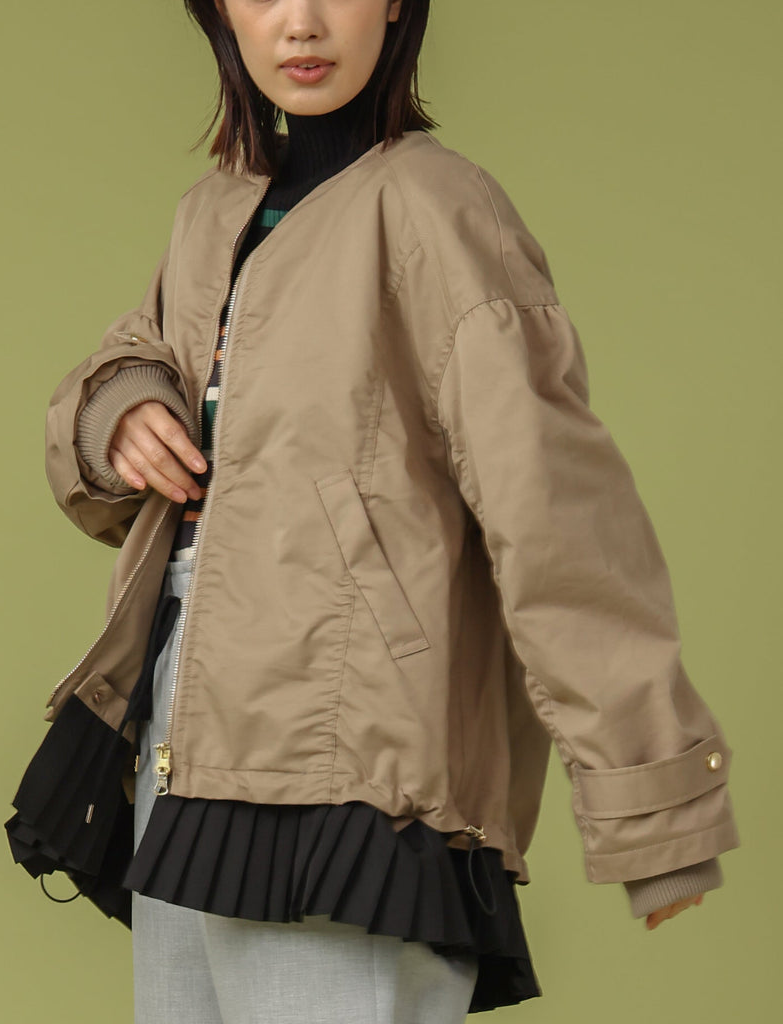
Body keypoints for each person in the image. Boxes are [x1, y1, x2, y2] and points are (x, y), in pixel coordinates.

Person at [42, 1, 740, 1021]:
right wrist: (121, 407)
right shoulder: (212, 212)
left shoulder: (437, 210)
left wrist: (651, 802)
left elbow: (556, 514)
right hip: (179, 726)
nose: (302, 21)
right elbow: (132, 358)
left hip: (356, 747)